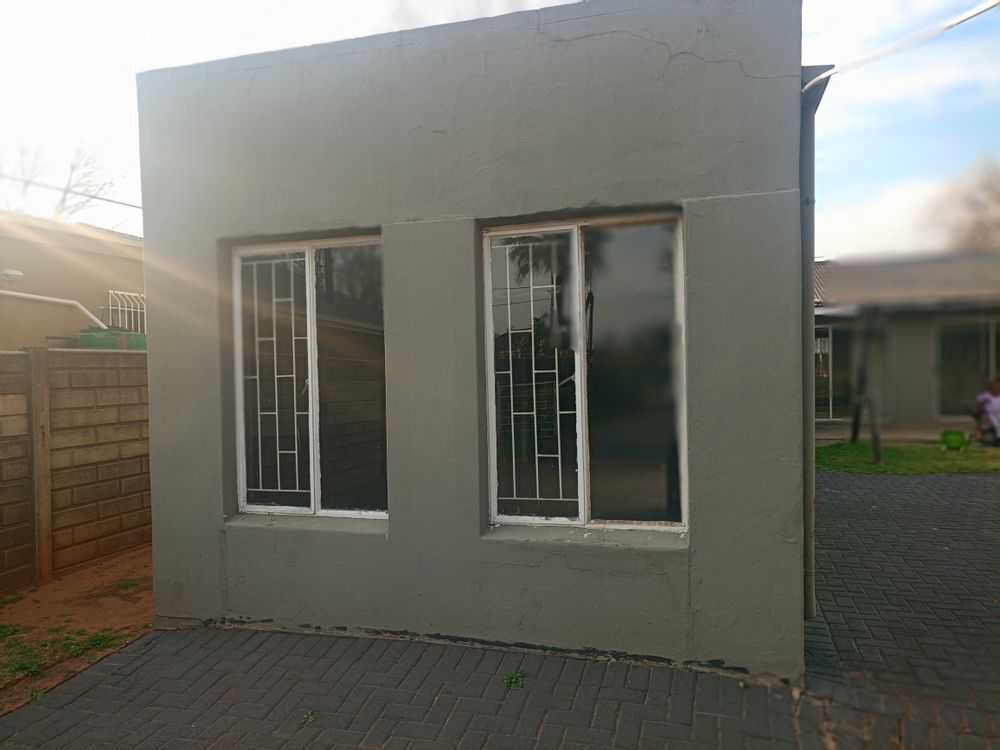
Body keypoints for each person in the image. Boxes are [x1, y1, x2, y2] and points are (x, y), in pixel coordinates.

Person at [972, 379, 1000, 445]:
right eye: (994, 387)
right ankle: (997, 438)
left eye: (998, 387)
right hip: (990, 415)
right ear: (990, 389)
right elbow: (976, 401)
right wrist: (982, 401)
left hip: (998, 414)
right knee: (996, 424)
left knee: (998, 423)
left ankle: (998, 438)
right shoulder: (987, 395)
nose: (996, 389)